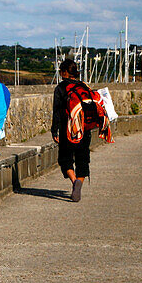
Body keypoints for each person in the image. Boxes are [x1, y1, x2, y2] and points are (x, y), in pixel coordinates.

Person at [51, 58, 90, 202]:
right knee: (83, 160)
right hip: (83, 129)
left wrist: (54, 131)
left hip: (66, 129)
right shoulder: (84, 86)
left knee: (65, 159)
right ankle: (79, 182)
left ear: (65, 72)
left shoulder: (60, 88)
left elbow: (56, 112)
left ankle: (75, 181)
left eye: (61, 71)